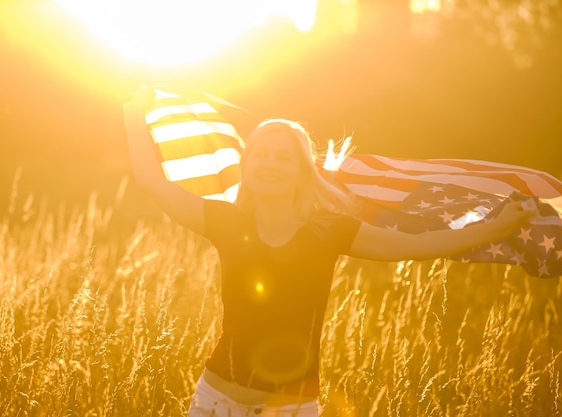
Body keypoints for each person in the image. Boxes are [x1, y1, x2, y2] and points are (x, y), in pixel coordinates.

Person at [122, 87, 536, 417]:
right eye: (260, 155)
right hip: (214, 401)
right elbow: (151, 182)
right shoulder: (226, 222)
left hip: (292, 408)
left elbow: (415, 246)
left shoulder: (328, 230)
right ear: (246, 165)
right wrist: (132, 114)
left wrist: (494, 227)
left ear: (303, 170)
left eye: (283, 158)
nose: (269, 164)